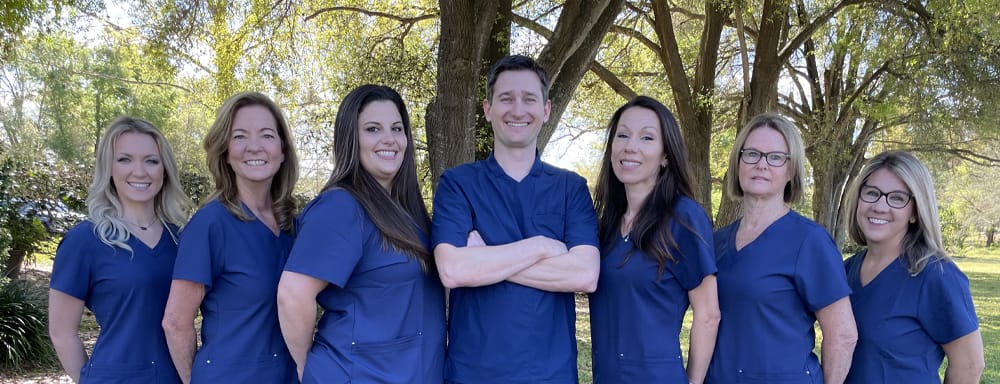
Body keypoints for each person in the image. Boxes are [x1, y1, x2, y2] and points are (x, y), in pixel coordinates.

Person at [431, 54, 600, 383]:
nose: (518, 110)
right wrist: (541, 246)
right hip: (472, 373)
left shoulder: (571, 188)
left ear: (546, 109)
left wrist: (485, 259)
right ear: (487, 109)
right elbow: (453, 269)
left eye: (529, 99)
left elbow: (585, 275)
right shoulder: (458, 184)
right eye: (506, 98)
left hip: (549, 374)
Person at [276, 85, 445, 383]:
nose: (388, 139)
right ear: (350, 139)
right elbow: (292, 294)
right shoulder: (342, 205)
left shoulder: (408, 213)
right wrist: (306, 368)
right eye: (372, 129)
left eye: (396, 128)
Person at [707, 113, 857, 384]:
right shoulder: (717, 242)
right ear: (738, 163)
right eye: (751, 154)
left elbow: (843, 335)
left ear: (791, 170)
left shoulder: (809, 242)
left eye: (775, 157)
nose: (761, 164)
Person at [162, 92, 299, 383]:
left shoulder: (293, 226)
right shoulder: (210, 225)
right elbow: (175, 322)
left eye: (266, 135)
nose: (254, 147)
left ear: (283, 150)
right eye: (240, 136)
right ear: (225, 150)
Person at [49, 116, 192, 383]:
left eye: (151, 160)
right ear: (109, 168)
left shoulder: (183, 239)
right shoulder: (85, 241)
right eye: (125, 159)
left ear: (165, 169)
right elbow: (61, 332)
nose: (139, 171)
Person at [588, 96, 720, 383]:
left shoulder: (683, 218)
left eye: (647, 137)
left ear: (665, 156)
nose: (630, 146)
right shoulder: (605, 226)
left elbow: (708, 314)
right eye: (622, 135)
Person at [842, 151, 984, 383]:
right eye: (871, 193)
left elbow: (969, 365)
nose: (879, 206)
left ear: (915, 212)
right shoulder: (846, 271)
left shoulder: (936, 276)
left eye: (897, 198)